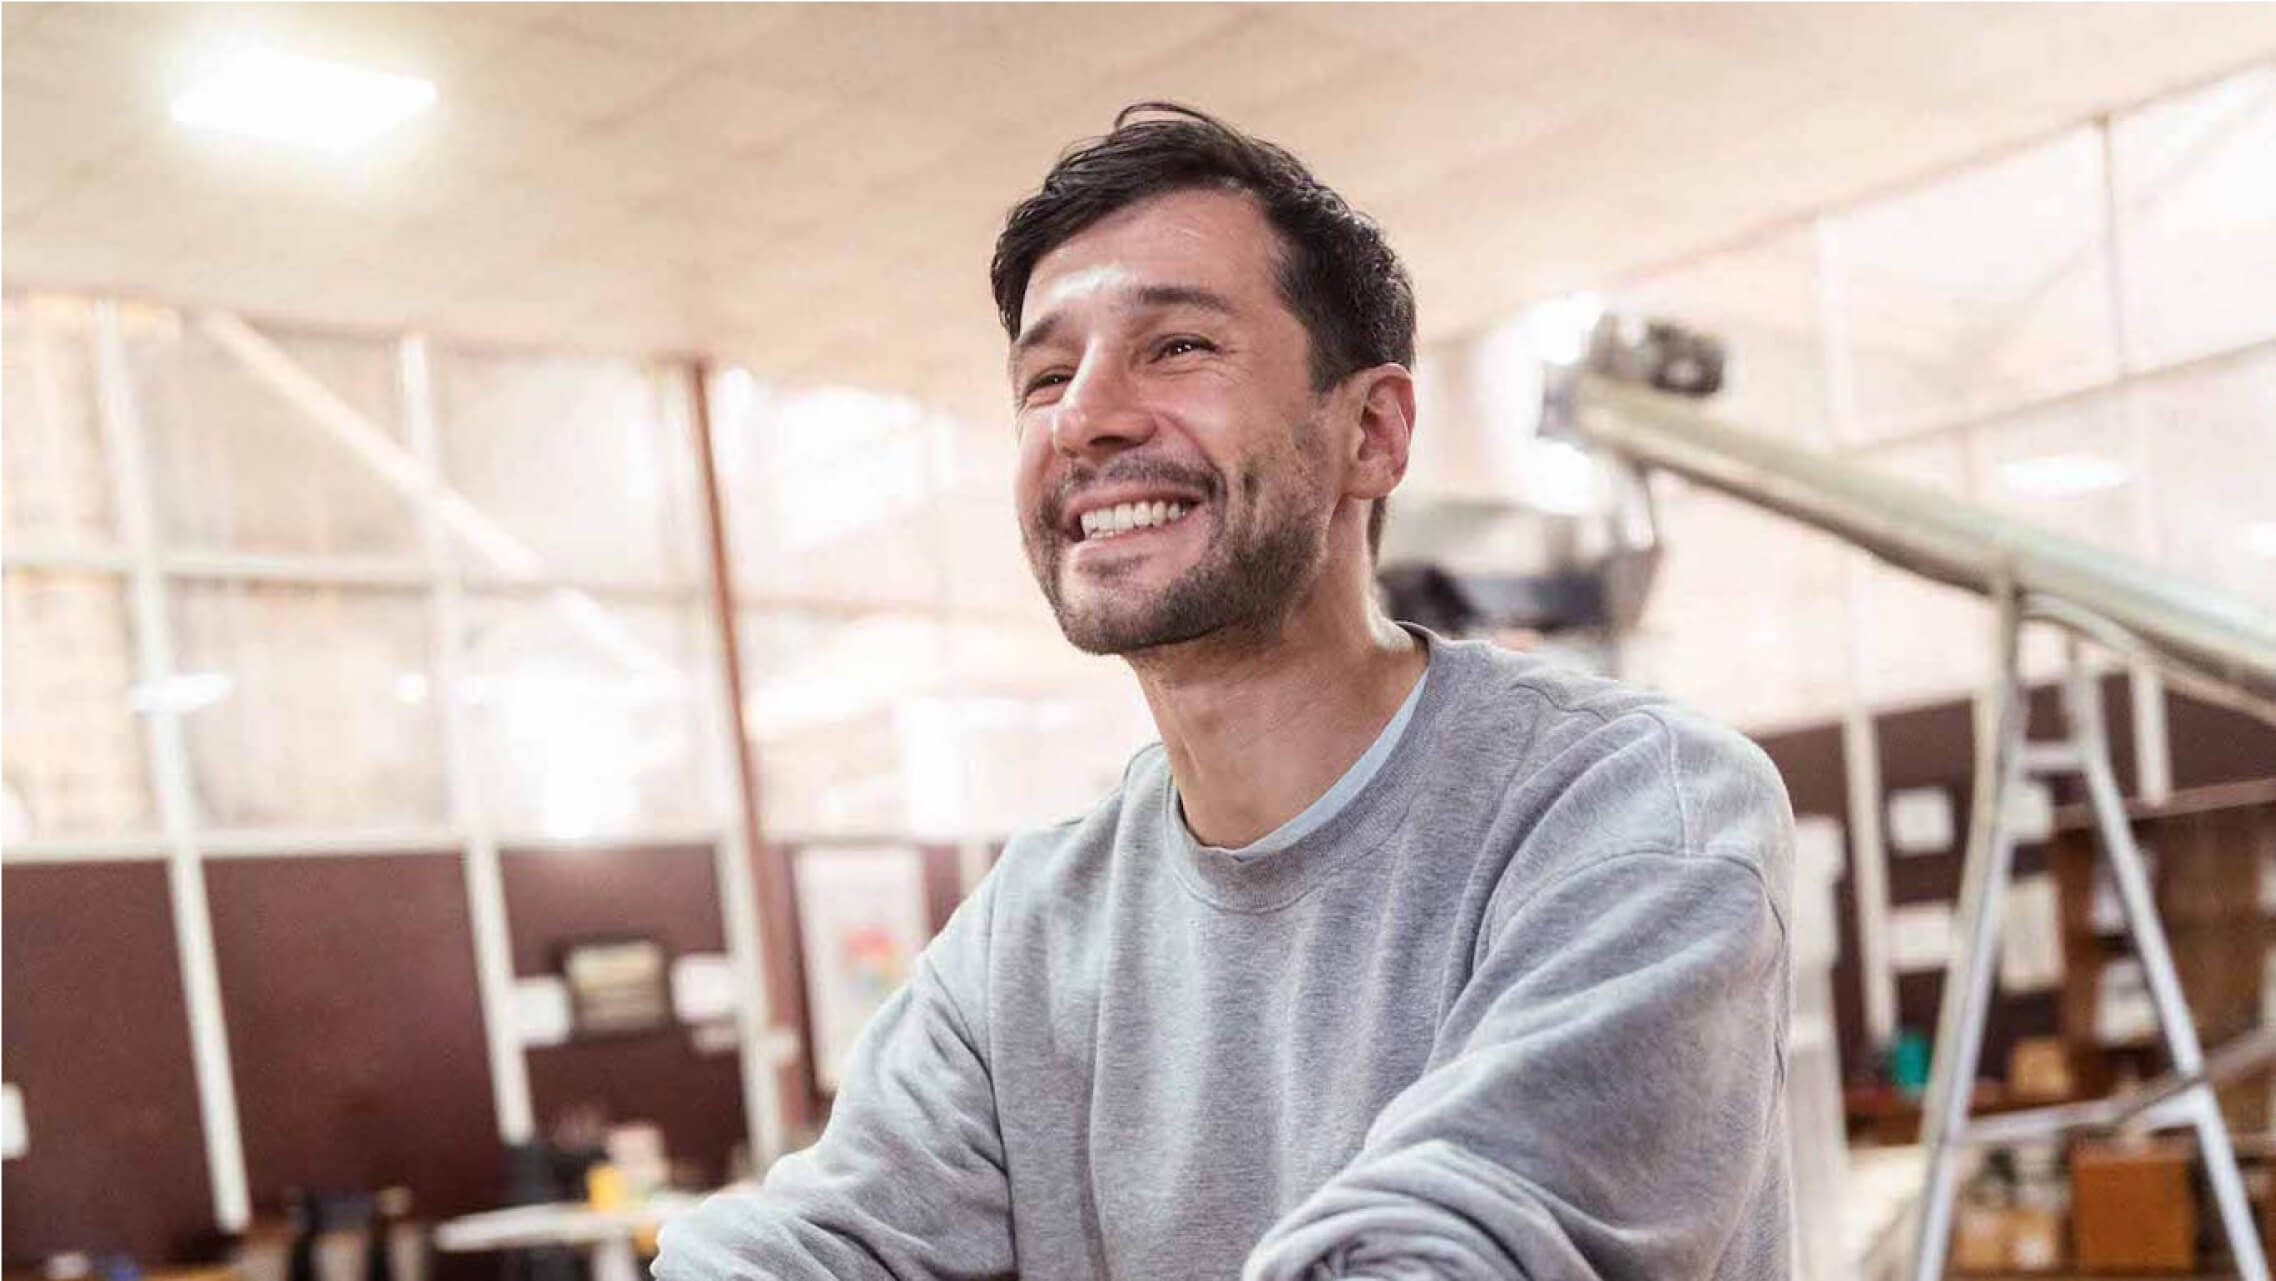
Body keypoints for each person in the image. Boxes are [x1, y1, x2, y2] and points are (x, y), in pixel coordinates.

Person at [657, 102, 1793, 1281]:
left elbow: (1458, 1248)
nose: (1084, 419)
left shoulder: (1627, 810)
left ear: (1372, 432)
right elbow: (817, 1246)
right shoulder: (1032, 933)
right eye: (1045, 376)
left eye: (1177, 347)